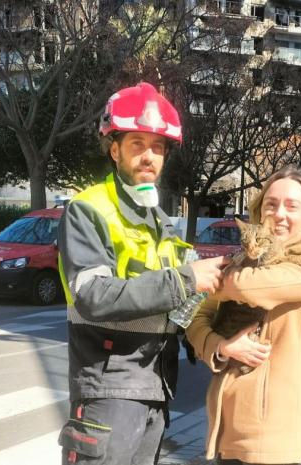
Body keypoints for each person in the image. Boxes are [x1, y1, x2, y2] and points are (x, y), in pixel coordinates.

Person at [56, 82, 228, 465]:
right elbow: (94, 296)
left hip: (155, 387)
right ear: (114, 149)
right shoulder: (89, 210)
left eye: (158, 147)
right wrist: (187, 279)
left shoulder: (159, 221)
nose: (148, 156)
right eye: (137, 144)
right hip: (108, 390)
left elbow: (177, 306)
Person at [186, 165, 301, 465]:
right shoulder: (243, 258)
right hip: (224, 430)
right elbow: (195, 320)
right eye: (271, 204)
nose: (279, 214)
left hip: (270, 441)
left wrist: (208, 280)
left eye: (292, 206)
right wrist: (220, 347)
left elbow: (251, 286)